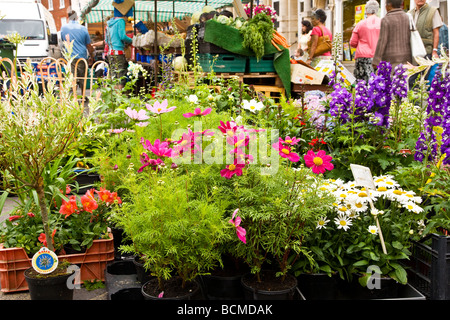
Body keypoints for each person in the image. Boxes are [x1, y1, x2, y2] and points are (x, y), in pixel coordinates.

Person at [372, 0, 412, 71]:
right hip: (407, 58)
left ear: (389, 5)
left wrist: (376, 60)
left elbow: (382, 41)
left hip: (391, 59)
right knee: (403, 80)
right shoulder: (407, 17)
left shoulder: (386, 19)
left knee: (393, 80)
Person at [60, 10, 94, 87]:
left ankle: (73, 96)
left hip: (70, 57)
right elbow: (88, 45)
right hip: (81, 56)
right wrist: (91, 56)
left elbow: (63, 40)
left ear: (68, 17)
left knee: (71, 78)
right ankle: (83, 96)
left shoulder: (63, 28)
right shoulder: (83, 29)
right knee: (83, 78)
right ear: (77, 17)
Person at [349, 0, 381, 83]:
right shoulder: (383, 23)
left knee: (362, 84)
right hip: (378, 57)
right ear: (377, 10)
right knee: (377, 84)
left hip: (363, 57)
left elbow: (352, 42)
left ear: (366, 10)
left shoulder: (360, 24)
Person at [105, 4, 133, 89]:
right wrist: (131, 40)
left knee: (114, 76)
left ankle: (115, 97)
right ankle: (119, 97)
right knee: (120, 76)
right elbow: (122, 36)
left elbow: (106, 40)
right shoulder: (120, 21)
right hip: (119, 53)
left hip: (110, 53)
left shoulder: (109, 23)